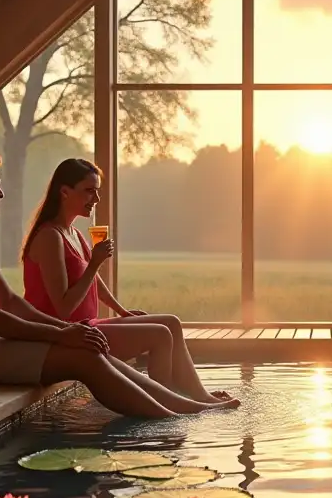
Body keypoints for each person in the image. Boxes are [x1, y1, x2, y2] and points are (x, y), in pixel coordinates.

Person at [0, 147, 238, 419]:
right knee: (84, 358)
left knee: (88, 349)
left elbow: (8, 300)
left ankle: (182, 406)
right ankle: (174, 417)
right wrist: (63, 332)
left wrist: (69, 332)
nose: (1, 193)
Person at [20, 158, 231, 404]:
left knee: (171, 323)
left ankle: (198, 395)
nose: (96, 199)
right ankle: (166, 402)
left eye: (97, 191)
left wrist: (121, 311)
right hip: (66, 335)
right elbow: (63, 307)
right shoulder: (50, 237)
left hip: (86, 325)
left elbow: (93, 281)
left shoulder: (73, 233)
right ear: (65, 192)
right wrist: (95, 263)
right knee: (160, 335)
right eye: (89, 191)